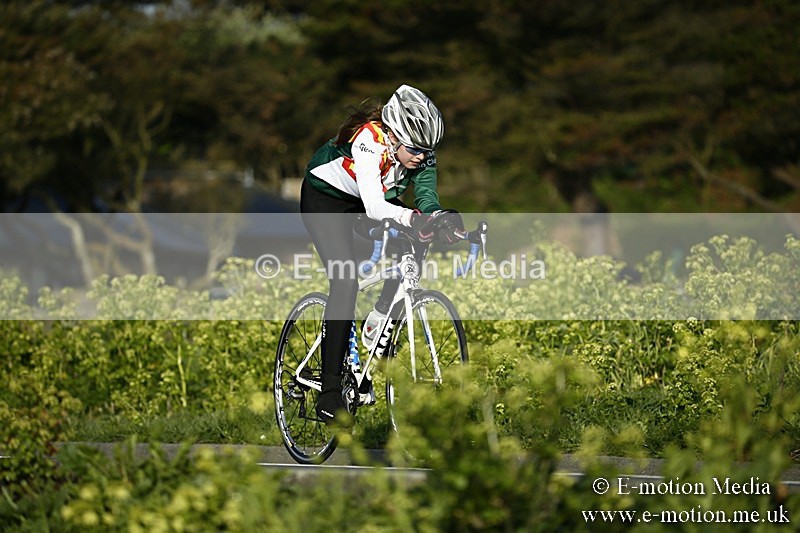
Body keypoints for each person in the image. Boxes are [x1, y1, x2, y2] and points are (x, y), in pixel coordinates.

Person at [300, 84, 464, 425]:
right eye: (416, 149)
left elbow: (425, 191)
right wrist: (410, 217)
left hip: (367, 203)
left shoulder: (420, 151)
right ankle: (330, 392)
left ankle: (378, 320)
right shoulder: (368, 140)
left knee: (420, 237)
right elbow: (375, 205)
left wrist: (434, 217)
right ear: (394, 135)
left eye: (428, 151)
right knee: (345, 283)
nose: (421, 156)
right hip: (327, 202)